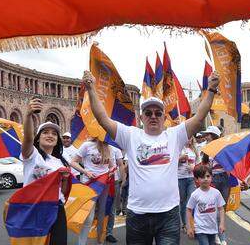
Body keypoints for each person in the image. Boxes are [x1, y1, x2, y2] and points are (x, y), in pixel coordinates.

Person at [82, 70, 220, 245]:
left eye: (157, 113)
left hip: (169, 215)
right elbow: (102, 118)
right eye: (148, 113)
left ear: (164, 117)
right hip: (137, 215)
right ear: (141, 117)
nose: (153, 116)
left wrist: (212, 89)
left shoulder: (175, 135)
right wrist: (92, 89)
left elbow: (200, 116)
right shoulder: (130, 135)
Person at [21, 98, 77, 245]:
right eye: (45, 132)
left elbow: (63, 191)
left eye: (54, 133)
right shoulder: (32, 156)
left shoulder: (61, 162)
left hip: (57, 209)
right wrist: (28, 115)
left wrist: (65, 179)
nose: (50, 135)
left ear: (57, 140)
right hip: (34, 208)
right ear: (38, 139)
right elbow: (27, 139)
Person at [71, 137, 118, 245]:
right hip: (90, 185)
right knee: (89, 216)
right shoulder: (86, 145)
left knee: (102, 213)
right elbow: (73, 162)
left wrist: (111, 171)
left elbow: (112, 166)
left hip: (104, 185)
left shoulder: (109, 148)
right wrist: (86, 172)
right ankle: (81, 243)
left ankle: (100, 241)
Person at [200, 125, 229, 245]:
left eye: (208, 134)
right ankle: (220, 237)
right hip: (214, 180)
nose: (205, 136)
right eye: (205, 134)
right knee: (215, 208)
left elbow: (231, 163)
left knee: (223, 209)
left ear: (214, 136)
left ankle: (219, 234)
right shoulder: (206, 149)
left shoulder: (224, 148)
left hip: (225, 179)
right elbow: (205, 167)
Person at [186, 164, 226, 245]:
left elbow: (221, 209)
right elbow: (189, 210)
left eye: (208, 176)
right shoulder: (195, 194)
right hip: (200, 229)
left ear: (211, 177)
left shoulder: (216, 193)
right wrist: (189, 227)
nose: (206, 179)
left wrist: (221, 224)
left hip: (213, 228)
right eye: (202, 177)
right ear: (196, 179)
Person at [178, 137, 199, 232]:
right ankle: (184, 224)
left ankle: (192, 224)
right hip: (180, 178)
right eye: (187, 137)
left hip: (191, 178)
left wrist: (193, 168)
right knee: (182, 202)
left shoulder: (194, 150)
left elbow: (198, 165)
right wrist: (180, 159)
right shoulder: (178, 148)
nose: (189, 139)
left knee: (191, 200)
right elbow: (170, 163)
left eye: (190, 137)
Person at [106, 146, 125, 243]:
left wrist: (123, 180)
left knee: (111, 209)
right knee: (96, 208)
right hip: (96, 182)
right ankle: (97, 230)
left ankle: (108, 233)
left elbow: (121, 165)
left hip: (114, 182)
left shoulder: (115, 149)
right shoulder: (89, 145)